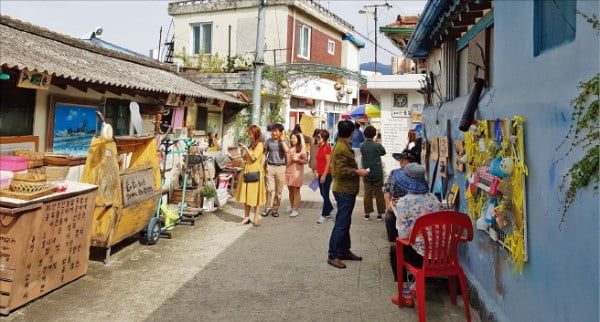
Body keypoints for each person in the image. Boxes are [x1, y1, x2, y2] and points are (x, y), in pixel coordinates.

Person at [391, 163, 441, 307]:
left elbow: (403, 234)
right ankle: (416, 286)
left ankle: (405, 294)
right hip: (440, 254)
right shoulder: (434, 200)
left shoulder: (404, 202)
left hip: (420, 256)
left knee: (394, 251)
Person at [327, 120, 368, 269]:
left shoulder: (343, 145)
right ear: (351, 133)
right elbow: (341, 170)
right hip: (344, 190)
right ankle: (333, 255)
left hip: (347, 189)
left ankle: (344, 250)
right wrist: (358, 171)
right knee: (341, 224)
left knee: (345, 223)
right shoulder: (341, 148)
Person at [382, 152, 414, 282]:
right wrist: (388, 204)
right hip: (394, 208)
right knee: (390, 219)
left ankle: (410, 272)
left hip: (410, 212)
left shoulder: (416, 177)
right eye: (400, 160)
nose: (401, 162)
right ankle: (401, 279)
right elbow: (386, 189)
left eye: (404, 160)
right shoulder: (394, 173)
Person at [235, 125, 267, 226]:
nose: (249, 136)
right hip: (247, 171)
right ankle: (246, 217)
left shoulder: (260, 145)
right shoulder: (251, 144)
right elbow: (246, 158)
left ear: (255, 134)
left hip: (255, 172)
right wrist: (242, 151)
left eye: (251, 134)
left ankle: (256, 218)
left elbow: (253, 158)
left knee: (255, 197)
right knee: (246, 195)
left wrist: (246, 149)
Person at [360, 125, 387, 221]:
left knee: (367, 193)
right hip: (377, 172)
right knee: (379, 193)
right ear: (374, 134)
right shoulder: (377, 145)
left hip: (366, 172)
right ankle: (380, 214)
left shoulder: (362, 145)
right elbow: (383, 152)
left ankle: (367, 214)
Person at [262, 123, 289, 218]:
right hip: (270, 166)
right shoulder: (268, 141)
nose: (274, 133)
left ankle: (275, 209)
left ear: (280, 132)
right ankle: (267, 208)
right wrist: (262, 166)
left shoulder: (284, 141)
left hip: (281, 167)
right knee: (269, 189)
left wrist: (281, 140)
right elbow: (265, 154)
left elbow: (286, 151)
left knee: (279, 191)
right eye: (273, 131)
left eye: (276, 131)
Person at [284, 133, 307, 217]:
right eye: (291, 138)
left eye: (294, 138)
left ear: (298, 139)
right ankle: (291, 206)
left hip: (297, 172)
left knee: (296, 190)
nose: (292, 140)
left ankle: (296, 209)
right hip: (289, 171)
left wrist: (297, 159)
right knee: (290, 189)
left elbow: (305, 161)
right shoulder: (289, 149)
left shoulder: (301, 149)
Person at [315, 129, 334, 224]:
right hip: (320, 173)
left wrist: (324, 175)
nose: (317, 138)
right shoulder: (319, 147)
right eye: (317, 137)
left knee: (325, 194)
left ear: (324, 138)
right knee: (322, 193)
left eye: (319, 137)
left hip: (326, 174)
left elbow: (328, 163)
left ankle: (324, 214)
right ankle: (330, 208)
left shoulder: (327, 148)